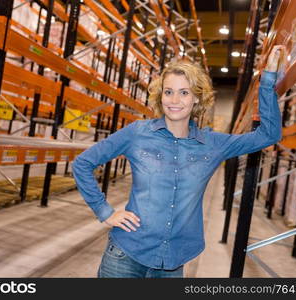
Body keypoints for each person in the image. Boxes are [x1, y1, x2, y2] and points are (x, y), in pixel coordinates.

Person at [72, 45, 284, 278]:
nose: (174, 100)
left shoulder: (213, 144)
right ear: (160, 95)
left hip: (173, 263)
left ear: (196, 99)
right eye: (168, 92)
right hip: (126, 255)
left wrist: (268, 78)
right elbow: (83, 164)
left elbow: (269, 135)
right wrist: (105, 211)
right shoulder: (137, 133)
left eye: (184, 92)